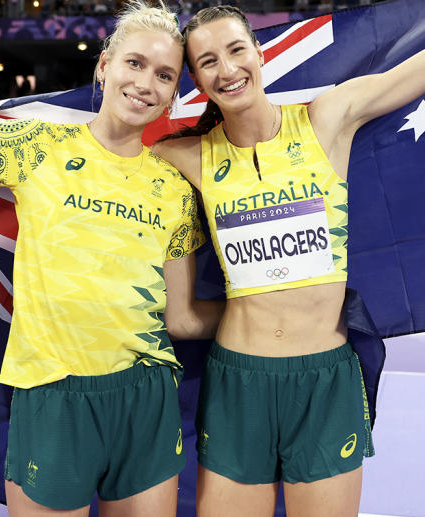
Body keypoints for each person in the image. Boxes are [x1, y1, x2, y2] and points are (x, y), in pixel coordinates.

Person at [0, 2, 223, 515]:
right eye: (134, 63)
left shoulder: (174, 188)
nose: (146, 83)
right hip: (52, 393)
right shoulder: (35, 144)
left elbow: (181, 318)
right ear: (104, 66)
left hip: (147, 395)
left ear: (172, 96)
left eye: (164, 75)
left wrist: (269, 313)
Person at [150, 6, 425, 516]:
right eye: (208, 61)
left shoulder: (328, 118)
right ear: (196, 80)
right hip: (239, 381)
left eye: (236, 50)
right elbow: (98, 148)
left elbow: (413, 73)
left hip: (326, 381)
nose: (227, 69)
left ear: (259, 52)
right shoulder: (187, 156)